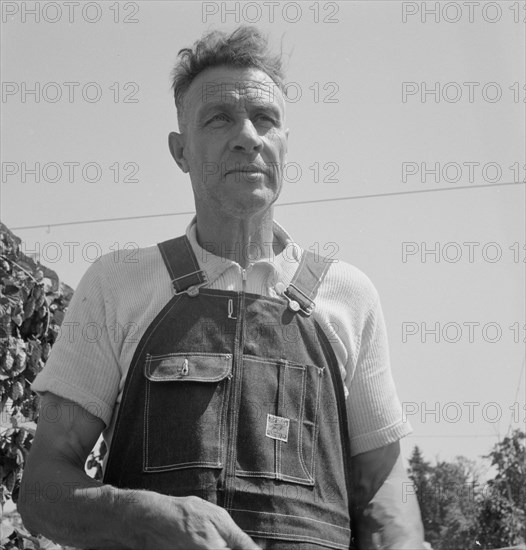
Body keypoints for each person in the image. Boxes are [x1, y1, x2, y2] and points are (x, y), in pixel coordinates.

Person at [19, 26, 425, 550]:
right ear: (180, 150)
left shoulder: (349, 294)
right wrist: (142, 514)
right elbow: (43, 489)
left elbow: (386, 499)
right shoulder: (117, 282)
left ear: (285, 145)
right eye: (219, 118)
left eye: (266, 119)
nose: (248, 136)